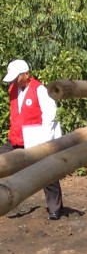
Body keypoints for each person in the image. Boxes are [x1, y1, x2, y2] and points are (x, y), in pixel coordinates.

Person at [1, 59, 64, 220]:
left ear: (26, 74)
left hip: (36, 139)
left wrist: (47, 142)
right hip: (16, 138)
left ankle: (55, 209)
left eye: (17, 77)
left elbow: (49, 115)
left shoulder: (40, 90)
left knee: (46, 173)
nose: (15, 80)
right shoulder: (13, 89)